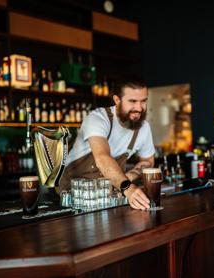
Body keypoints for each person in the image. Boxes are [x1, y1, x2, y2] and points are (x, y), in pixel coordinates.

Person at [58, 78, 155, 210]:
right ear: (117, 100)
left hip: (107, 198)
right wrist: (127, 187)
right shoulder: (98, 118)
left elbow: (148, 161)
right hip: (74, 198)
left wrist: (129, 176)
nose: (139, 108)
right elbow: (102, 158)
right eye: (132, 101)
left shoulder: (144, 128)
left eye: (143, 101)